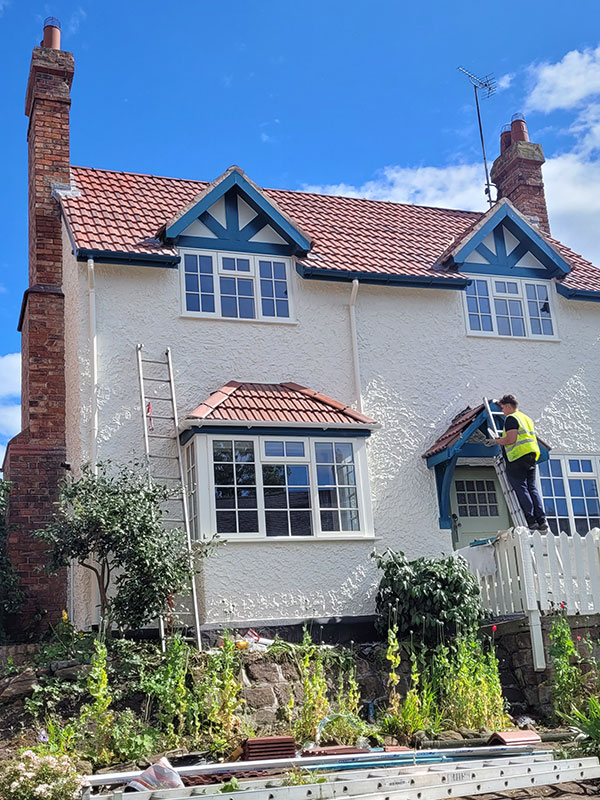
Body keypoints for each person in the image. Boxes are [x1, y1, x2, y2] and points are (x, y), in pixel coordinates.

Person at [489, 394, 549, 533]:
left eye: (503, 408)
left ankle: (531, 521)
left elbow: (511, 439)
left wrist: (496, 441)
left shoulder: (511, 418)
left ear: (509, 406)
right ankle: (542, 520)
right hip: (531, 455)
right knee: (532, 488)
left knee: (521, 488)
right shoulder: (525, 418)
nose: (502, 412)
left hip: (518, 457)